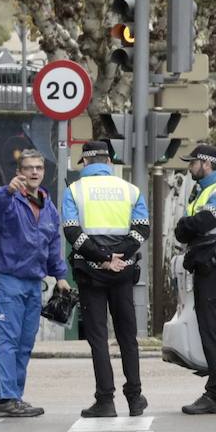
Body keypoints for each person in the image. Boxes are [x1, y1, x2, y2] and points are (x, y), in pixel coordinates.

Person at [63, 141, 149, 418]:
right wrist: (118, 257)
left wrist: (101, 258)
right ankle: (135, 398)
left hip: (90, 273)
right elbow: (141, 231)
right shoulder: (131, 190)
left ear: (85, 163)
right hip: (123, 273)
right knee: (128, 337)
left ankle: (105, 400)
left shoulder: (74, 191)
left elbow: (73, 234)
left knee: (98, 339)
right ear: (109, 162)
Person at [0, 149, 69, 418]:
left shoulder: (48, 206)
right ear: (19, 171)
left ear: (44, 171)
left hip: (34, 281)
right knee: (8, 340)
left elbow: (53, 244)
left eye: (39, 168)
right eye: (29, 168)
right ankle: (5, 398)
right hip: (8, 277)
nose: (34, 172)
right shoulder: (8, 199)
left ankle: (15, 396)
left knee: (25, 342)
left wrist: (61, 276)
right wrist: (5, 191)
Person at [175, 143, 216, 415]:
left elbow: (197, 225)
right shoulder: (202, 193)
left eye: (193, 163)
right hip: (207, 269)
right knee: (209, 333)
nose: (190, 167)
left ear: (207, 163)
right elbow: (185, 230)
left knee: (213, 334)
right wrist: (186, 228)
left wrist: (186, 227)